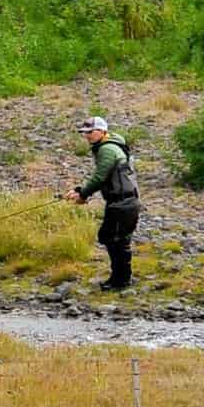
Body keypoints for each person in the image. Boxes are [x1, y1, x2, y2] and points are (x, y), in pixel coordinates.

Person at [65, 116, 140, 291]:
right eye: (85, 133)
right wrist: (79, 190)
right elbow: (104, 178)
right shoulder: (113, 146)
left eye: (91, 132)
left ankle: (120, 281)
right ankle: (122, 279)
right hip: (126, 202)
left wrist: (82, 195)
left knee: (112, 239)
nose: (87, 136)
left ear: (102, 131)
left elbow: (100, 177)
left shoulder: (107, 149)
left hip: (122, 203)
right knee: (117, 239)